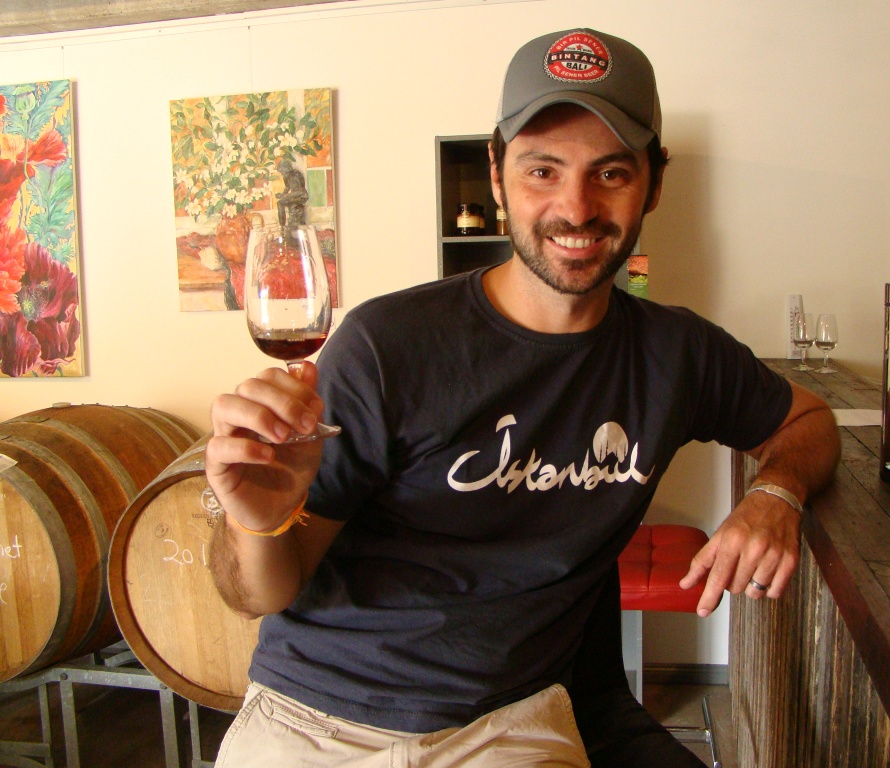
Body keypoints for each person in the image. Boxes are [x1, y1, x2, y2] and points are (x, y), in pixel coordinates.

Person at [205, 27, 841, 768]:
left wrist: (776, 494)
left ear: (655, 183)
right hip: (316, 720)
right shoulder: (388, 344)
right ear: (497, 175)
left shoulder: (678, 354)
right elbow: (261, 595)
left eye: (611, 173)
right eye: (543, 170)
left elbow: (809, 420)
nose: (576, 208)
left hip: (507, 729)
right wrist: (256, 522)